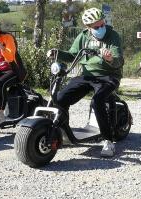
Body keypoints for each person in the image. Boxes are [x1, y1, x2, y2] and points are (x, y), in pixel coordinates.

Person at [46, 8, 124, 157]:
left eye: (102, 24)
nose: (101, 28)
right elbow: (72, 55)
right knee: (60, 98)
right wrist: (57, 53)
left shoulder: (113, 36)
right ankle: (63, 133)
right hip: (87, 76)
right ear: (88, 27)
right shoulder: (83, 37)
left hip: (109, 76)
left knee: (97, 101)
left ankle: (108, 141)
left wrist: (110, 59)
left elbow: (119, 60)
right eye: (96, 27)